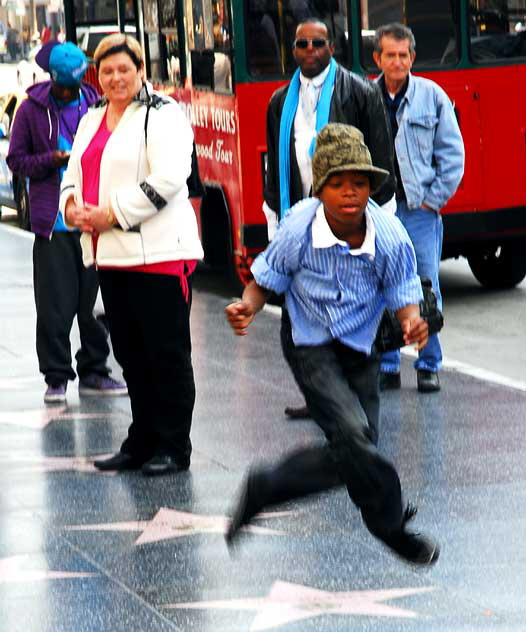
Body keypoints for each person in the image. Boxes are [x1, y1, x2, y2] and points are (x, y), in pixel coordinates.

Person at [224, 123, 439, 566]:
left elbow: (404, 299)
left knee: (357, 449)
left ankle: (266, 486)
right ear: (320, 189)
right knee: (354, 438)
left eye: (358, 184)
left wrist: (415, 325)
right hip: (309, 342)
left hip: (361, 344)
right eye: (337, 184)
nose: (349, 194)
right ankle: (394, 530)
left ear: (370, 189)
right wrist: (246, 306)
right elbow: (265, 278)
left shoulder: (390, 237)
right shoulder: (298, 226)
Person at [59, 34, 203, 476]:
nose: (115, 77)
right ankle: (141, 440)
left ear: (141, 70)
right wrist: (71, 205)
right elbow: (75, 171)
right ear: (96, 77)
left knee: (166, 354)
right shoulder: (93, 116)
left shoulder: (164, 114)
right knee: (131, 354)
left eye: (124, 69)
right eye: (106, 71)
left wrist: (110, 213)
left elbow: (170, 179)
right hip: (110, 257)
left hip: (158, 255)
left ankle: (174, 445)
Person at [263, 17, 396, 419]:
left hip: (351, 220)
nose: (309, 51)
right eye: (301, 44)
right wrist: (276, 221)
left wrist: (380, 222)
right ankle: (321, 395)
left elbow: (381, 157)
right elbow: (275, 164)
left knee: (351, 307)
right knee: (304, 314)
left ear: (332, 47)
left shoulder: (359, 91)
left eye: (317, 43)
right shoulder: (278, 102)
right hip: (301, 222)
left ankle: (354, 397)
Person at [7, 40, 127, 404]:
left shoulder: (97, 103)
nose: (68, 92)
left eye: (73, 85)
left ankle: (94, 370)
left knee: (94, 306)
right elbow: (16, 161)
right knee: (54, 307)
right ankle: (56, 376)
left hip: (94, 220)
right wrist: (51, 160)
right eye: (62, 86)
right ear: (51, 78)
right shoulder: (30, 110)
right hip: (53, 224)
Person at [372, 23, 465, 393]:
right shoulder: (364, 95)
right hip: (378, 211)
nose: (397, 61)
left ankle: (428, 364)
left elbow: (453, 155)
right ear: (377, 58)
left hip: (418, 211)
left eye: (403, 55)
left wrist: (432, 200)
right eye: (389, 55)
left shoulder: (433, 96)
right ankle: (389, 363)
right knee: (382, 287)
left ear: (412, 57)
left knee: (426, 287)